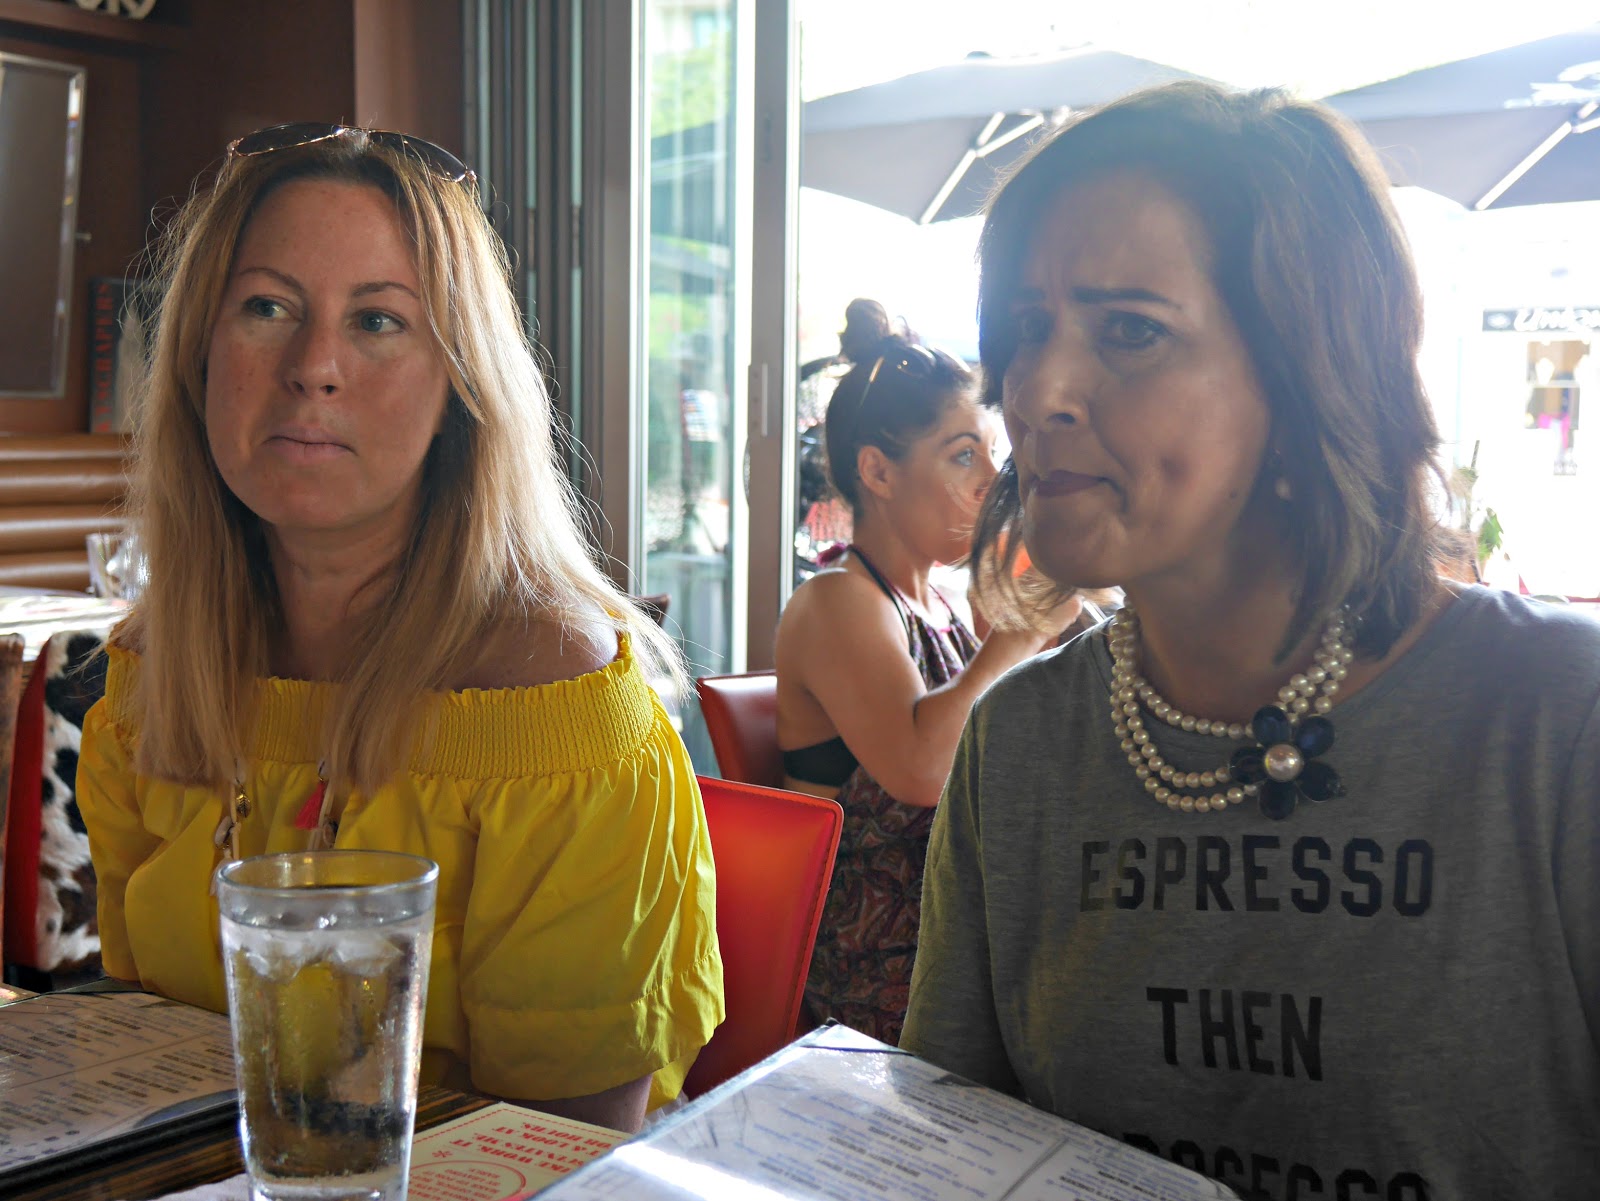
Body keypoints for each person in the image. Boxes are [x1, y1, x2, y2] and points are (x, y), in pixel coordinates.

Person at [900, 82, 1600, 1197]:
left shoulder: (1556, 719)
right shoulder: (1020, 744)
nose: (1037, 391)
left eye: (1131, 330)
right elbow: (946, 1155)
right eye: (1027, 331)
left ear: (1306, 371)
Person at [76, 123, 722, 1133]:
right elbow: (143, 1054)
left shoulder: (547, 699)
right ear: (199, 357)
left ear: (461, 385)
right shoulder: (153, 670)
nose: (314, 366)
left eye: (378, 320)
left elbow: (564, 1148)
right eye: (266, 306)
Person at [775, 316, 1081, 1045]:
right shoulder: (838, 599)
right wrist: (1021, 632)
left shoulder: (942, 603)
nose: (991, 481)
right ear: (878, 473)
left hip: (951, 934)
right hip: (877, 960)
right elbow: (920, 769)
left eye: (991, 453)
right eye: (963, 454)